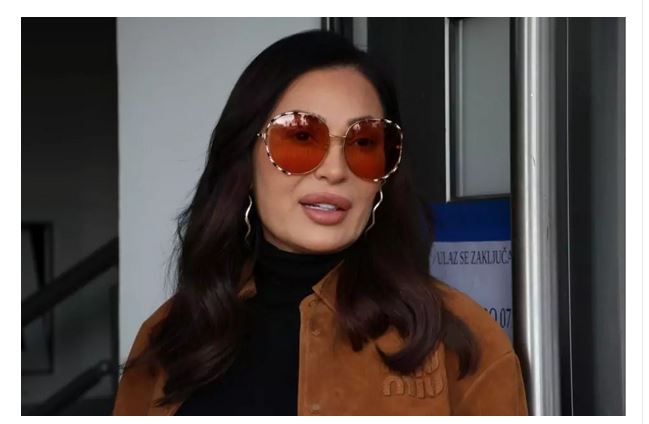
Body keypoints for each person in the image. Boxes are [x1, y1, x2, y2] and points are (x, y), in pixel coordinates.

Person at [112, 29, 528, 416]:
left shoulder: (460, 341)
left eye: (363, 143)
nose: (335, 170)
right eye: (300, 136)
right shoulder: (171, 338)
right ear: (245, 160)